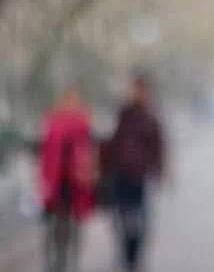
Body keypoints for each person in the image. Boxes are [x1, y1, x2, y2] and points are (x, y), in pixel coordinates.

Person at [107, 72, 166, 272]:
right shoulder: (124, 114)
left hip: (139, 177)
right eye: (135, 89)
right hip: (121, 174)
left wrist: (159, 170)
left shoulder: (151, 117)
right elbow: (113, 142)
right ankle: (126, 256)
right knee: (122, 220)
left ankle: (134, 259)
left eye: (141, 89)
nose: (137, 93)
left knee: (139, 222)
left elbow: (158, 146)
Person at [38, 88, 96, 272]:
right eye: (67, 100)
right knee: (56, 223)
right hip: (57, 179)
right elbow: (46, 151)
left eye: (73, 100)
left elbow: (88, 151)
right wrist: (43, 179)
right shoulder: (53, 122)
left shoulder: (83, 123)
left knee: (73, 223)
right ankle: (57, 259)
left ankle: (69, 260)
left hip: (76, 180)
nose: (70, 104)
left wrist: (88, 173)